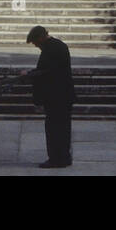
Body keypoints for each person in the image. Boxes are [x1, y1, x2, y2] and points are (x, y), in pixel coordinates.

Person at [26, 25, 75, 168]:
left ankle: (56, 158)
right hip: (63, 95)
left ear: (40, 38)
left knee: (55, 128)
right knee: (63, 128)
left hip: (57, 96)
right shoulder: (58, 46)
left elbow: (46, 72)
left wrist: (30, 74)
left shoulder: (51, 49)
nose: (37, 46)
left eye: (36, 43)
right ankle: (63, 157)